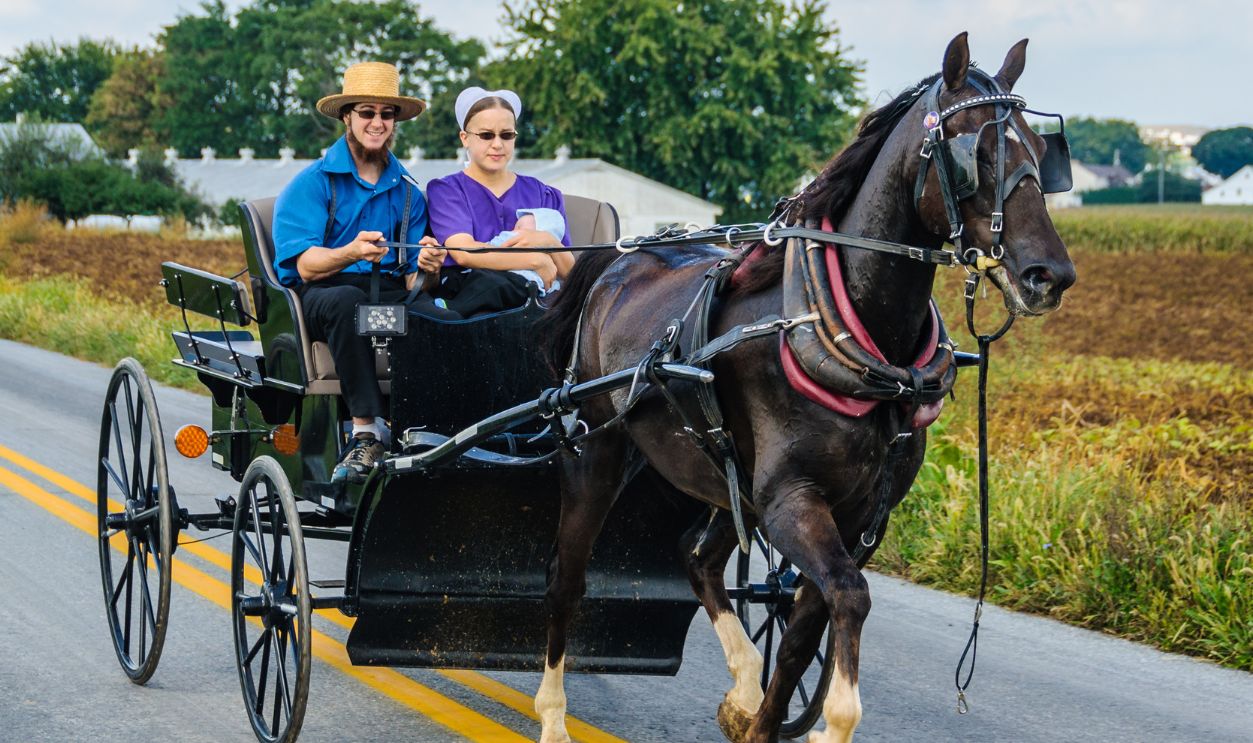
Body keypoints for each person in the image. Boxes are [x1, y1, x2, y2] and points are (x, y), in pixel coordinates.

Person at [272, 61, 450, 484]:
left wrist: (428, 267)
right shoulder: (313, 183)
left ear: (395, 122)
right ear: (346, 116)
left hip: (388, 290)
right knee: (348, 303)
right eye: (366, 112)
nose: (377, 122)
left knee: (446, 319)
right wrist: (350, 251)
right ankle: (366, 432)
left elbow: (412, 282)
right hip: (324, 294)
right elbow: (304, 265)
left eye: (385, 114)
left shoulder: (408, 192)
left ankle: (432, 427)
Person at [424, 87, 575, 316]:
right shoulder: (448, 191)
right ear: (464, 138)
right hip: (470, 302)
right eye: (486, 135)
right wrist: (535, 260)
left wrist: (545, 240)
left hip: (536, 305)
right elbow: (464, 252)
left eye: (506, 135)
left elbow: (570, 272)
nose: (497, 144)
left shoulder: (544, 194)